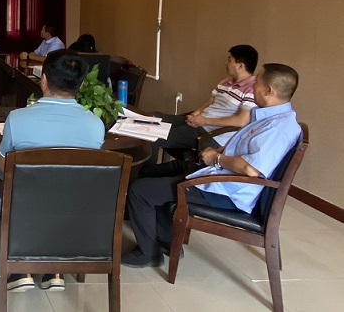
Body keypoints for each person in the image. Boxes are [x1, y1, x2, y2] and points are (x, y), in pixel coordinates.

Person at [122, 63, 302, 268]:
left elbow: (251, 169)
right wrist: (219, 153)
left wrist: (216, 159)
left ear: (269, 91)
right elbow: (247, 150)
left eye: (257, 83)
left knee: (139, 190)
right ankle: (166, 240)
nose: (253, 86)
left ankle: (148, 253)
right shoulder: (271, 116)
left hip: (226, 190)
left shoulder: (277, 128)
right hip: (221, 175)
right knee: (148, 172)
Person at [0, 48, 106, 292]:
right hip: (74, 211)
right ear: (80, 84)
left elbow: (4, 165)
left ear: (43, 80)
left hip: (27, 208)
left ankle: (22, 269)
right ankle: (55, 270)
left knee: (13, 191)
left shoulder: (17, 119)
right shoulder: (95, 125)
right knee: (62, 196)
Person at [151, 44, 259, 160]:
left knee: (153, 136)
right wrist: (197, 113)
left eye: (229, 60)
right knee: (154, 118)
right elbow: (211, 100)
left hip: (211, 134)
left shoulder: (251, 89)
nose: (226, 63)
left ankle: (144, 171)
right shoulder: (226, 82)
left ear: (240, 66)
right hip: (200, 122)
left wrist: (204, 121)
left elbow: (241, 121)